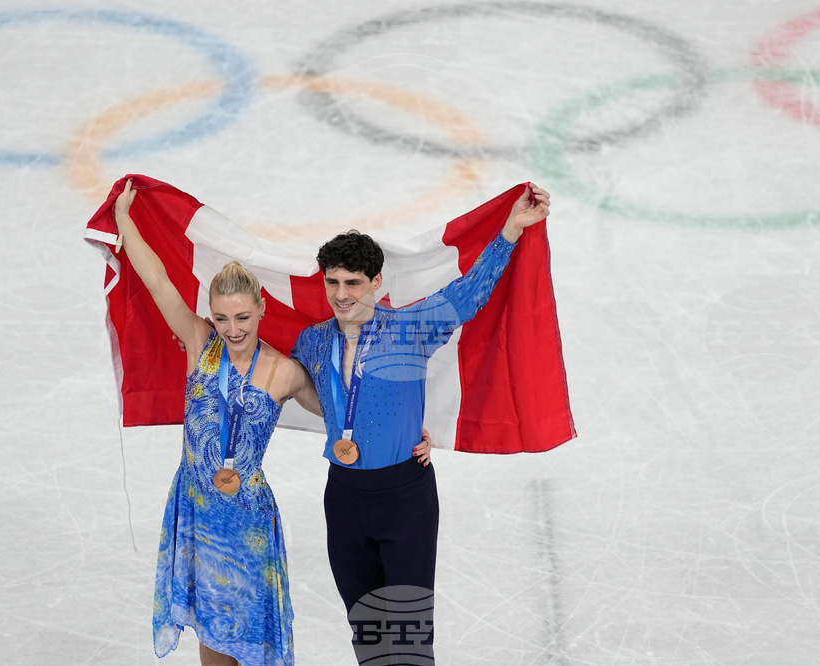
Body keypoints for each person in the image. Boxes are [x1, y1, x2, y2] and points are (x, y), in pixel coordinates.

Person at [113, 179, 432, 665]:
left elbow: (344, 409)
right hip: (197, 506)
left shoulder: (285, 371)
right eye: (222, 318)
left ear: (262, 309)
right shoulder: (199, 344)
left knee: (253, 637)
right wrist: (123, 222)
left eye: (242, 317)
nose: (233, 329)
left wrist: (409, 433)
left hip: (249, 517)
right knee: (213, 634)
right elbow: (157, 280)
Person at [291, 183, 552, 662]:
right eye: (333, 282)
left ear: (375, 282)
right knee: (367, 632)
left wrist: (512, 229)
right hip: (344, 496)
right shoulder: (312, 341)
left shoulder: (410, 328)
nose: (341, 294)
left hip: (404, 496)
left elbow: (469, 293)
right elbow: (282, 379)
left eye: (352, 282)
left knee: (408, 638)